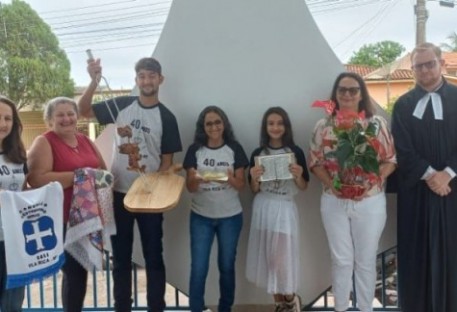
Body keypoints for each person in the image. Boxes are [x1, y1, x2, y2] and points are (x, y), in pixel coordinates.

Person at [78, 57, 182, 312]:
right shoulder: (122, 105)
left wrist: (154, 190)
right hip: (118, 195)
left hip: (150, 199)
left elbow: (167, 163)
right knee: (120, 258)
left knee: (154, 257)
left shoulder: (167, 118)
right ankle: (122, 307)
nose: (147, 81)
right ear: (136, 81)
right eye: (142, 76)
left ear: (160, 79)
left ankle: (156, 307)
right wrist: (93, 81)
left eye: (152, 76)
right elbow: (83, 110)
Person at [309, 72, 396, 312]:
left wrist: (369, 182)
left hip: (369, 201)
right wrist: (335, 184)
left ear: (361, 94)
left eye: (353, 90)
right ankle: (341, 308)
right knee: (341, 260)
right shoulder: (323, 126)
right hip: (334, 201)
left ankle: (365, 308)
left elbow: (390, 160)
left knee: (366, 261)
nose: (347, 94)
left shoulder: (376, 124)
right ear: (335, 94)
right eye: (342, 90)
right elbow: (315, 162)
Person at [391, 42, 457, 312]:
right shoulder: (403, 105)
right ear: (412, 70)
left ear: (442, 64)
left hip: (453, 191)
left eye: (430, 63)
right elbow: (401, 149)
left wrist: (448, 174)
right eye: (419, 65)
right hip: (416, 192)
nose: (425, 70)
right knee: (417, 254)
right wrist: (432, 175)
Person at [27, 97, 107, 312]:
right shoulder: (44, 141)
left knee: (80, 274)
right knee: (73, 274)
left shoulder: (85, 140)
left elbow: (102, 171)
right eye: (60, 115)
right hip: (61, 219)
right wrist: (79, 176)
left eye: (70, 113)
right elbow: (35, 179)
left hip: (88, 218)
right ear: (49, 120)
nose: (66, 119)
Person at [183, 106, 248, 312]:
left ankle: (225, 308)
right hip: (201, 216)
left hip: (230, 217)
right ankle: (196, 308)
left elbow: (241, 184)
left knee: (227, 267)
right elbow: (190, 188)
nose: (214, 127)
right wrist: (194, 179)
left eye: (217, 122)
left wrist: (230, 179)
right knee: (199, 268)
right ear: (203, 127)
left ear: (224, 124)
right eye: (209, 123)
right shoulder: (195, 150)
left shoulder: (234, 148)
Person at [245, 107, 309, 312]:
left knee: (279, 258)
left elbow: (304, 186)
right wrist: (254, 177)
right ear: (265, 127)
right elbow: (253, 189)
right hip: (263, 207)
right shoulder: (258, 153)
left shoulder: (295, 152)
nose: (275, 127)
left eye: (280, 123)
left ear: (286, 126)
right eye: (271, 123)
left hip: (284, 207)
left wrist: (298, 174)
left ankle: (291, 298)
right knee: (267, 258)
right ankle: (279, 304)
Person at [0, 95, 27, 312]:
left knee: (12, 303)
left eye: (8, 118)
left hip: (14, 239)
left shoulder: (17, 155)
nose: (3, 124)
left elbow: (24, 190)